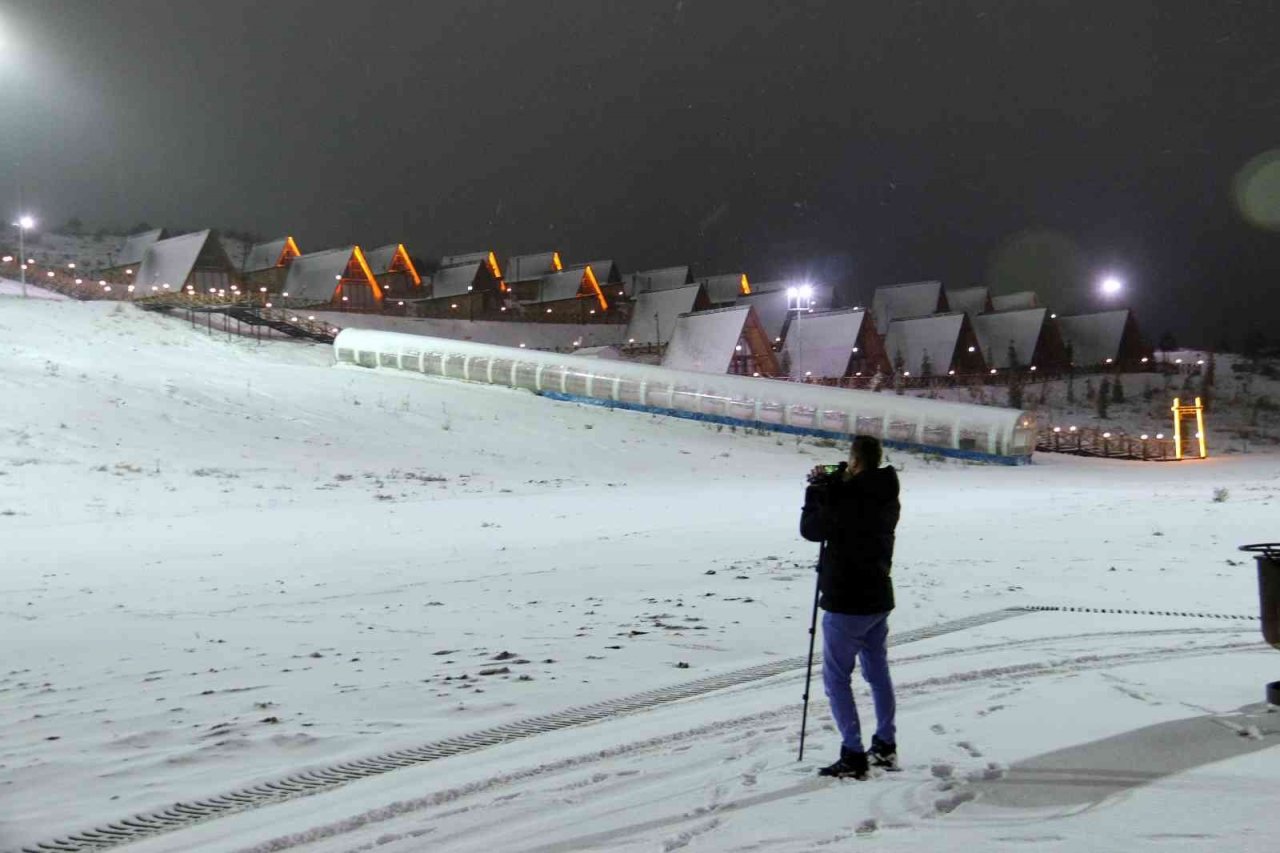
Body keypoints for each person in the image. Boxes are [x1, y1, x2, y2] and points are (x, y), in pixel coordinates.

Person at [800, 435, 900, 779]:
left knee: (836, 679)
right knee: (877, 673)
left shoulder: (848, 497)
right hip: (878, 597)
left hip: (846, 600)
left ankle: (853, 753)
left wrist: (816, 490)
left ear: (855, 461)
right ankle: (885, 745)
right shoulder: (886, 492)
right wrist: (839, 482)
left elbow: (811, 529)